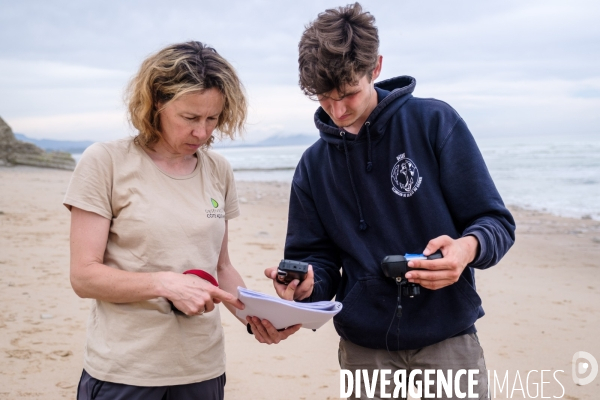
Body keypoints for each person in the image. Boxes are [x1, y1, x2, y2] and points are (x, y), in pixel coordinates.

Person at [265, 3, 515, 399]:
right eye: (324, 98)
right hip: (365, 351)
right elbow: (317, 260)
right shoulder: (313, 165)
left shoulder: (434, 123)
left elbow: (495, 222)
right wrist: (306, 285)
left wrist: (466, 249)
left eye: (348, 93)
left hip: (447, 338)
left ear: (375, 67)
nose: (338, 110)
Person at [64, 41, 299, 400]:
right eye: (189, 118)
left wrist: (255, 318)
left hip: (202, 370)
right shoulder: (105, 162)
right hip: (125, 372)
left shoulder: (218, 170)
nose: (202, 133)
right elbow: (84, 276)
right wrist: (165, 284)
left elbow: (221, 267)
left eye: (212, 119)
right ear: (156, 102)